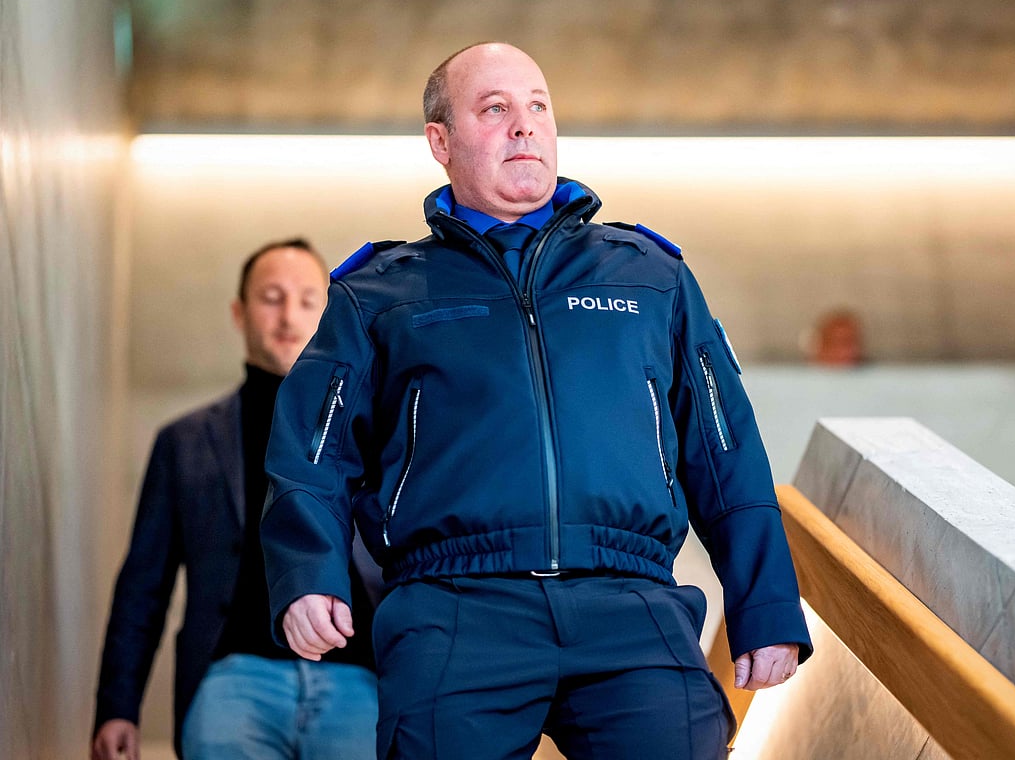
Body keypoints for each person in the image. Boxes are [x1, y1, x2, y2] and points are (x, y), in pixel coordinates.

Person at [261, 43, 814, 760]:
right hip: (452, 609)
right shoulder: (378, 293)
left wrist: (764, 602)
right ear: (441, 141)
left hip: (632, 602)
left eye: (537, 106)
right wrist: (309, 573)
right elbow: (312, 453)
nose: (524, 126)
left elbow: (723, 447)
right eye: (495, 109)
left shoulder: (649, 274)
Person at [92, 239, 380, 760]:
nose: (289, 315)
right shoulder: (185, 441)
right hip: (232, 678)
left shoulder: (374, 432)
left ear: (330, 311)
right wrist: (117, 706)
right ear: (239, 311)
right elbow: (143, 585)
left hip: (360, 678)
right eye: (271, 297)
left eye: (308, 299)